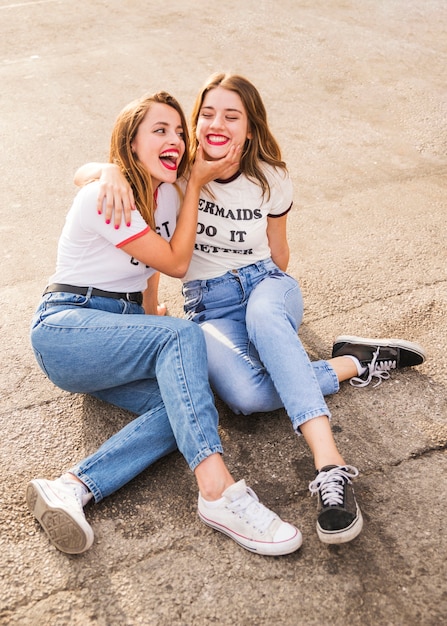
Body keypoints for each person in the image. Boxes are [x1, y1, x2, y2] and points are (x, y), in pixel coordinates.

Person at [75, 74, 425, 545]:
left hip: (267, 287)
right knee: (247, 397)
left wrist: (270, 303)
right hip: (209, 307)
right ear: (196, 122)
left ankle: (330, 469)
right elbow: (91, 173)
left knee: (264, 320)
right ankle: (354, 360)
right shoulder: (176, 171)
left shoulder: (271, 176)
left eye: (232, 116)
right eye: (208, 114)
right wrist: (111, 171)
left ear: (249, 127)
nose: (217, 123)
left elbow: (280, 256)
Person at [27, 90, 304, 557]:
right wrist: (108, 169)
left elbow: (151, 270)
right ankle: (217, 490)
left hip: (120, 334)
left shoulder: (169, 195)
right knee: (183, 336)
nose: (174, 138)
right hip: (67, 328)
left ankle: (73, 488)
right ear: (131, 144)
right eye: (159, 130)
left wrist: (151, 310)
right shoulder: (106, 196)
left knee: (185, 405)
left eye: (179, 130)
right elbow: (176, 262)